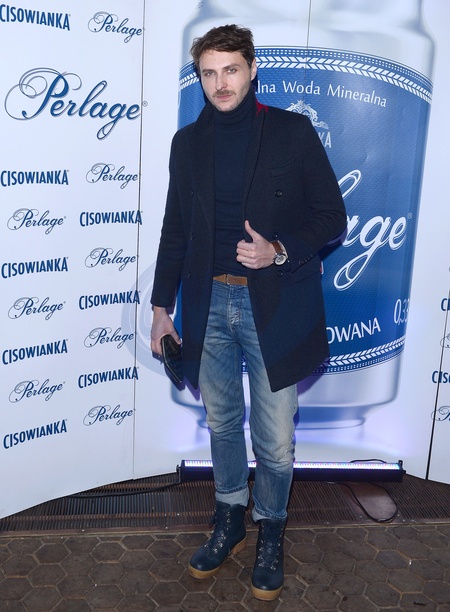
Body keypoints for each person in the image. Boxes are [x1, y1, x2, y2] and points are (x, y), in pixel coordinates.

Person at [150, 24, 347, 601]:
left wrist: (278, 249)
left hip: (275, 303)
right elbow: (175, 229)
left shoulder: (291, 131)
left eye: (230, 70)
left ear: (253, 69)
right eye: (209, 73)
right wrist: (161, 308)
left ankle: (271, 529)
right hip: (206, 302)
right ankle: (230, 518)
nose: (220, 83)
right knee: (220, 424)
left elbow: (331, 216)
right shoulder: (186, 144)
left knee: (276, 438)